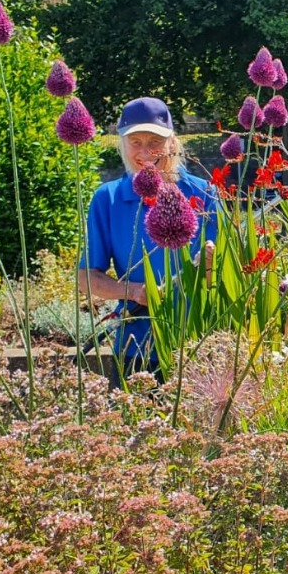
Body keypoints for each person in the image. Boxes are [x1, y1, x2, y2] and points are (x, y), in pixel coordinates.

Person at [78, 97, 218, 380]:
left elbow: (225, 267)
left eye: (155, 141)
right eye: (135, 142)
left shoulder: (204, 193)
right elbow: (87, 277)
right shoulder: (108, 198)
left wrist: (209, 263)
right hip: (136, 348)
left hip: (197, 344)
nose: (145, 152)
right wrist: (135, 291)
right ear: (122, 144)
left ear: (171, 143)